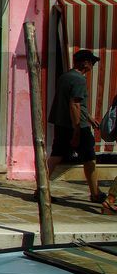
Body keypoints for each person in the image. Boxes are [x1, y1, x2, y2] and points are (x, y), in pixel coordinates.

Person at [47, 49, 103, 203]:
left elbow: (72, 103)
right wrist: (77, 130)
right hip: (76, 126)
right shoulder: (79, 80)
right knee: (90, 158)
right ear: (85, 63)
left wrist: (89, 117)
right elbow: (74, 105)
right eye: (92, 62)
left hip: (62, 123)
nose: (93, 65)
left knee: (55, 156)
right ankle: (95, 193)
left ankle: (41, 190)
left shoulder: (65, 77)